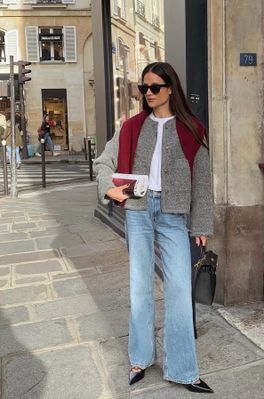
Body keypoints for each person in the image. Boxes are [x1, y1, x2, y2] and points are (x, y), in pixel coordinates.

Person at [94, 62, 214, 394]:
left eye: (155, 87)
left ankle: (184, 369)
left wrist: (201, 223)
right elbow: (103, 162)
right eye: (143, 88)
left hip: (173, 215)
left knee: (178, 290)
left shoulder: (192, 129)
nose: (148, 93)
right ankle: (140, 359)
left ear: (170, 89)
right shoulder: (131, 127)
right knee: (139, 288)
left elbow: (202, 181)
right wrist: (109, 187)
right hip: (138, 211)